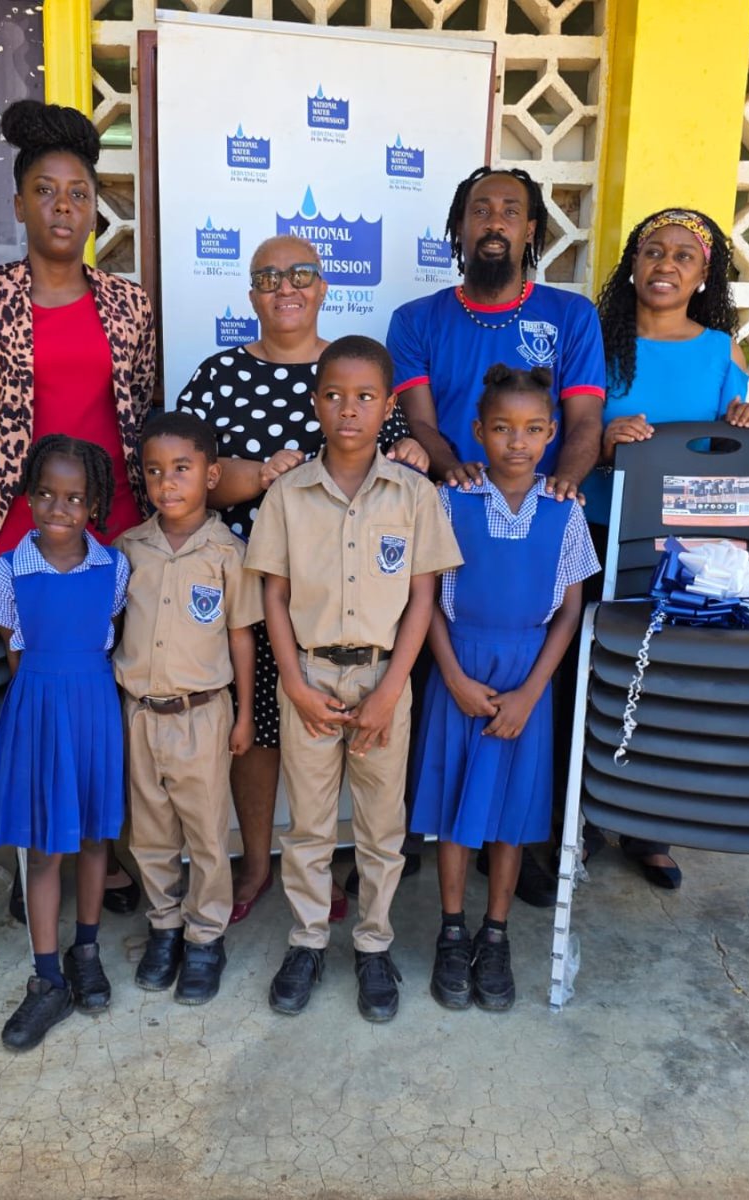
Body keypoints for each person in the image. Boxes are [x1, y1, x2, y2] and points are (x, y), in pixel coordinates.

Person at [0, 97, 154, 916]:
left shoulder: (129, 305)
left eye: (78, 194)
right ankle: (36, 853)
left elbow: (138, 406)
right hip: (19, 525)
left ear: (95, 209)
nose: (63, 207)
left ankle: (105, 849)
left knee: (103, 689)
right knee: (33, 693)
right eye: (45, 191)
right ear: (18, 203)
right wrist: (12, 487)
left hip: (113, 526)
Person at [178, 234, 428, 923]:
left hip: (335, 599)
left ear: (323, 287)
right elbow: (185, 472)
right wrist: (259, 475)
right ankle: (259, 865)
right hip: (243, 585)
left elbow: (395, 454)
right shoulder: (219, 374)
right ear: (250, 294)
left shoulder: (350, 367)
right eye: (267, 277)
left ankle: (323, 874)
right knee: (256, 728)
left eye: (300, 274)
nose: (284, 287)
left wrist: (413, 447)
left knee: (333, 730)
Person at [386, 165, 606, 908]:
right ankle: (416, 834)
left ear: (532, 229)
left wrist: (560, 489)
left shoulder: (570, 316)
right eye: (480, 210)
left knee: (533, 696)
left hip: (536, 524)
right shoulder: (417, 319)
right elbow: (420, 423)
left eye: (511, 210)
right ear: (459, 227)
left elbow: (583, 423)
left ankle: (519, 844)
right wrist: (457, 472)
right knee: (436, 687)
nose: (495, 221)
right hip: (449, 519)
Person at [246, 336, 461, 1022]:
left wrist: (392, 689)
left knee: (380, 825)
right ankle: (307, 941)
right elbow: (274, 595)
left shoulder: (414, 494)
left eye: (365, 397)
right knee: (309, 825)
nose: (348, 409)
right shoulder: (287, 494)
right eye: (334, 395)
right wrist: (295, 684)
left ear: (388, 406)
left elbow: (423, 597)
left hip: (382, 678)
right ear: (316, 403)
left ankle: (373, 944)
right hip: (309, 676)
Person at [411, 365, 599, 1012]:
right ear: (477, 431)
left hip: (527, 676)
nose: (517, 442)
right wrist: (452, 677)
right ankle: (452, 930)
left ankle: (495, 934)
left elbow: (570, 613)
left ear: (551, 433)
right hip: (460, 666)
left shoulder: (565, 511)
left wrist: (530, 694)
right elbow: (427, 603)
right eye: (501, 428)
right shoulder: (450, 500)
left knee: (512, 817)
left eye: (532, 429)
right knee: (455, 811)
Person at [581, 207, 749, 890]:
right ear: (632, 264)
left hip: (686, 546)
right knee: (592, 672)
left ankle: (648, 826)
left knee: (663, 678)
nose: (666, 265)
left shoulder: (721, 352)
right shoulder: (598, 343)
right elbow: (565, 434)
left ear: (704, 275)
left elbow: (730, 454)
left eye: (685, 255)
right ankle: (582, 815)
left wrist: (745, 419)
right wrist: (604, 441)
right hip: (598, 530)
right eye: (654, 251)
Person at [0, 435, 128, 1051]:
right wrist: (45, 701)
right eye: (45, 494)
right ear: (28, 496)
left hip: (94, 708)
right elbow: (14, 651)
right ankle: (47, 978)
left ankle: (84, 950)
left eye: (74, 497)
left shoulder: (113, 567)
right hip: (39, 711)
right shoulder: (7, 570)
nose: (58, 508)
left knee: (94, 837)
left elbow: (105, 634)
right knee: (43, 849)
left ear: (94, 503)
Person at [114, 414, 263, 1005]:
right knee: (150, 833)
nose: (167, 482)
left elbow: (241, 638)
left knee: (205, 834)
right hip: (139, 714)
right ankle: (164, 927)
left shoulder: (228, 553)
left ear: (211, 475)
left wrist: (244, 714)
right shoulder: (129, 549)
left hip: (203, 714)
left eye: (182, 469)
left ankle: (205, 937)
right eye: (154, 471)